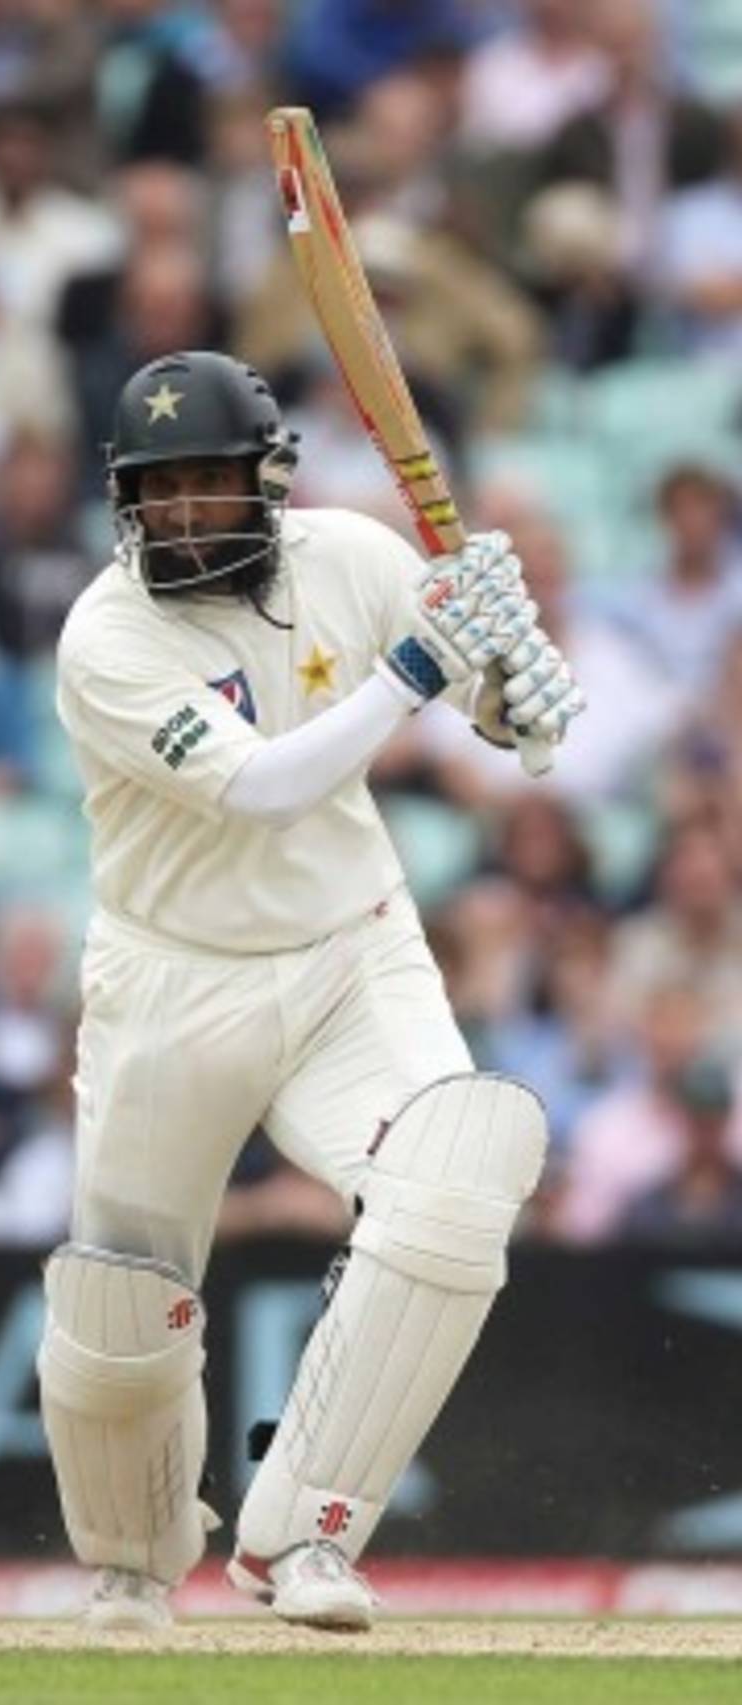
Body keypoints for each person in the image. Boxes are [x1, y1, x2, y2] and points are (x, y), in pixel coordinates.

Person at [36, 349, 585, 1632]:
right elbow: (265, 788)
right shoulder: (105, 635)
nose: (179, 513)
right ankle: (129, 1561)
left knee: (458, 1171)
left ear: (263, 481)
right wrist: (415, 666)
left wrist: (515, 696)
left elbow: (501, 726)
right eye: (155, 490)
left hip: (350, 954)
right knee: (120, 1301)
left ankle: (309, 1537)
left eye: (205, 483)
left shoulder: (348, 556)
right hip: (168, 981)